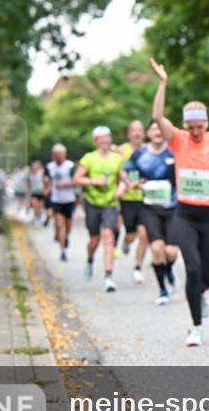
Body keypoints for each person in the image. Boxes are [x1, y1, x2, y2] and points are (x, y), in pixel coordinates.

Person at [150, 57, 209, 347]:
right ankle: (196, 327)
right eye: (191, 126)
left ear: (206, 124)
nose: (196, 131)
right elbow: (157, 118)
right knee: (191, 268)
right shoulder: (178, 139)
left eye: (200, 126)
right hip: (185, 216)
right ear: (186, 125)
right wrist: (163, 83)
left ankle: (202, 293)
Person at [116, 120, 179, 305]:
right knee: (157, 248)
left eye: (161, 129)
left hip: (173, 207)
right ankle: (162, 289)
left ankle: (168, 270)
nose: (158, 131)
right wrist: (129, 183)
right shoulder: (140, 154)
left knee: (171, 252)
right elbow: (123, 172)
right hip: (150, 208)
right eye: (153, 128)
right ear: (148, 134)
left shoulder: (174, 152)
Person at [73, 126, 124, 292]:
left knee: (108, 236)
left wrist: (122, 188)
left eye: (108, 138)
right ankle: (89, 260)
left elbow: (123, 178)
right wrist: (94, 181)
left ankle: (108, 277)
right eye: (102, 139)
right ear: (95, 141)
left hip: (109, 204)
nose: (106, 141)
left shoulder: (117, 158)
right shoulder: (89, 158)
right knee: (94, 241)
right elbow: (77, 179)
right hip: (92, 203)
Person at [118, 120, 149, 284]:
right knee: (132, 234)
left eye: (140, 130)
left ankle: (137, 267)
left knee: (144, 233)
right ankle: (126, 240)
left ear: (144, 133)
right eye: (133, 130)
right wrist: (128, 182)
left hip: (145, 198)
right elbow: (119, 171)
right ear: (129, 134)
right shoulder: (122, 150)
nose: (137, 133)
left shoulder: (149, 150)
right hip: (128, 198)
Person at [45, 144, 76, 262]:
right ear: (54, 155)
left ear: (65, 154)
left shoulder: (70, 166)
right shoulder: (49, 167)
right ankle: (63, 251)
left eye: (61, 154)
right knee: (58, 224)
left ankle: (66, 236)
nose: (59, 157)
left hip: (69, 199)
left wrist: (65, 185)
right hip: (56, 199)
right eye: (57, 154)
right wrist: (47, 188)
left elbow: (76, 181)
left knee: (68, 225)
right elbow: (47, 179)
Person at [27, 160, 47, 225]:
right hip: (34, 192)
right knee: (35, 205)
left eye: (36, 166)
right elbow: (29, 184)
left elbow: (46, 181)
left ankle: (36, 217)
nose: (34, 167)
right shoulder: (30, 174)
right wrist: (28, 193)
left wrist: (45, 189)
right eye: (33, 166)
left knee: (39, 207)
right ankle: (35, 218)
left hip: (41, 192)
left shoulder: (41, 173)